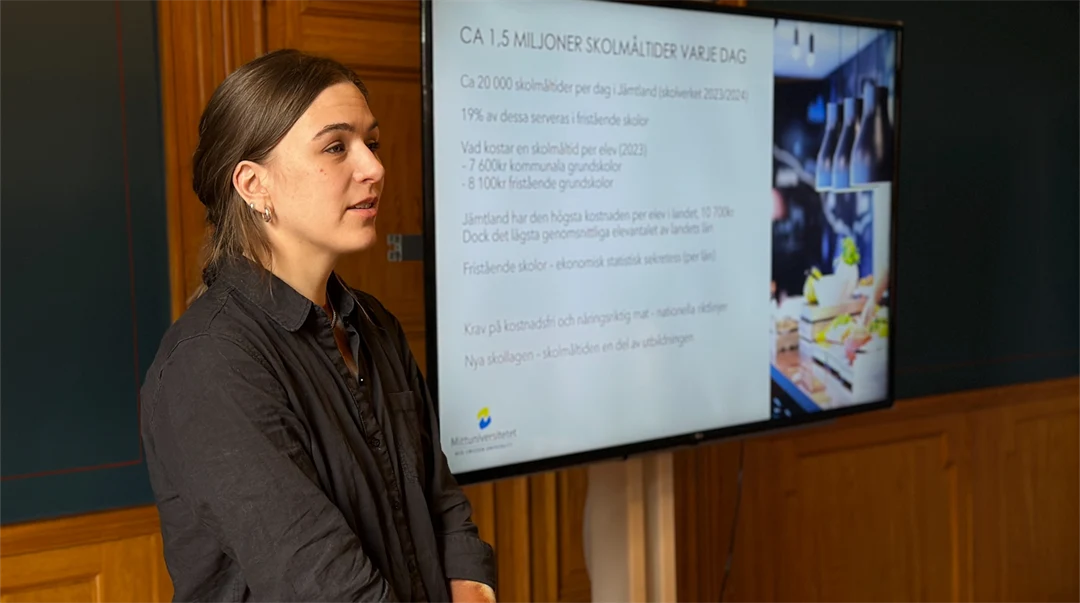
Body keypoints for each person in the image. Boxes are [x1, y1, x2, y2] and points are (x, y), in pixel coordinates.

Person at [139, 49, 497, 603]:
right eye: (336, 147)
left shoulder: (374, 323)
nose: (374, 168)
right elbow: (323, 583)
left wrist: (473, 584)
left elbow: (440, 500)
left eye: (370, 143)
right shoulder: (209, 365)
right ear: (254, 184)